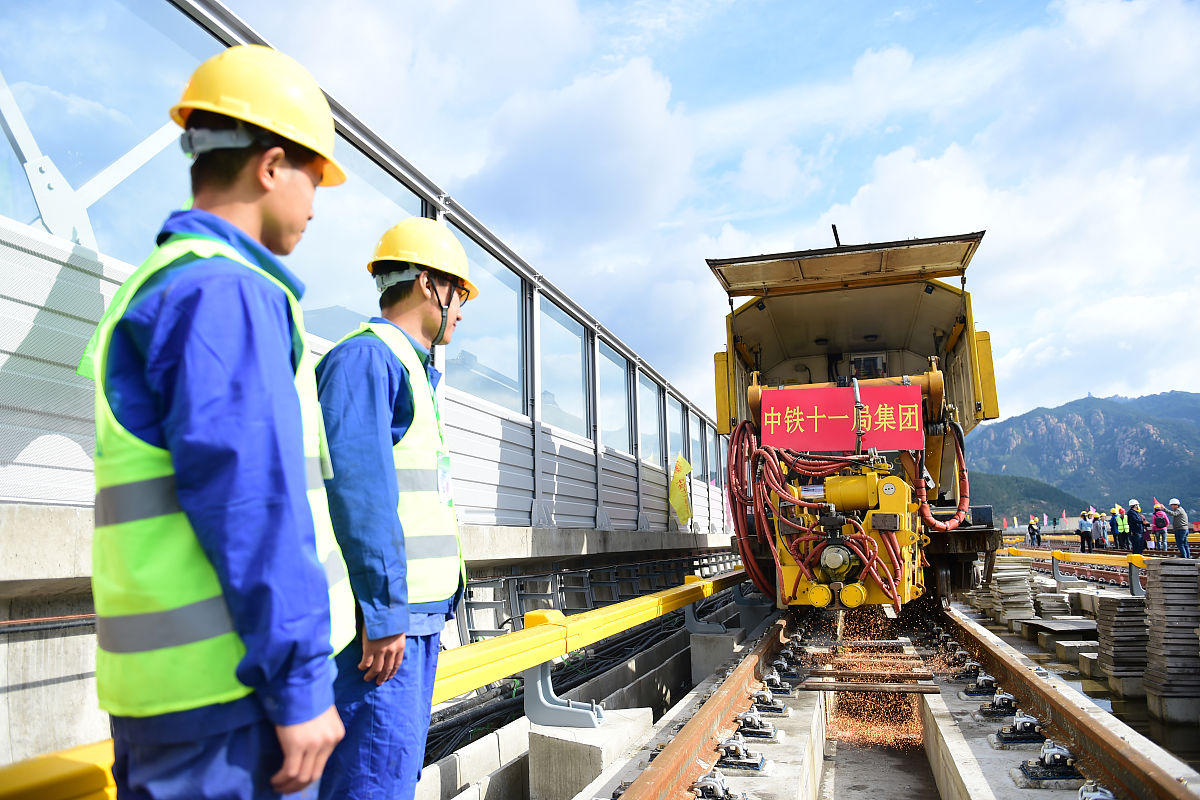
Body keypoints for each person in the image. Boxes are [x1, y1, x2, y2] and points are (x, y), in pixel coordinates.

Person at [80, 45, 356, 799]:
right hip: (229, 699)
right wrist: (301, 685)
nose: (316, 201)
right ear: (271, 166)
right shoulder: (224, 291)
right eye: (314, 177)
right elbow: (250, 501)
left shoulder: (159, 282)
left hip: (167, 696)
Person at [316, 217, 475, 799]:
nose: (463, 309)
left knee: (391, 774)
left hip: (414, 619)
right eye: (460, 293)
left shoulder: (411, 368)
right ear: (430, 284)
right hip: (386, 628)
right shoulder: (367, 361)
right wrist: (383, 614)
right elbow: (360, 497)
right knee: (371, 781)